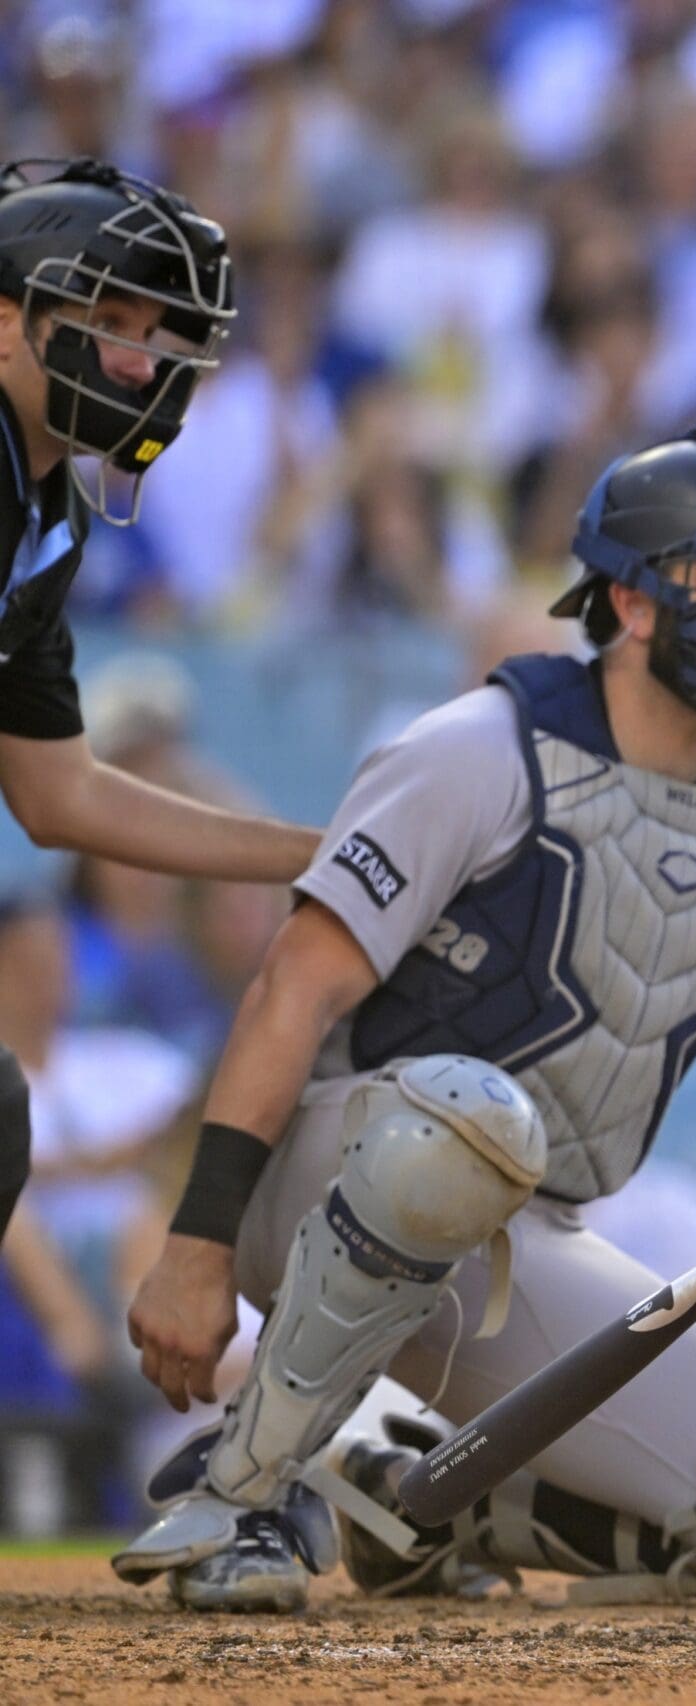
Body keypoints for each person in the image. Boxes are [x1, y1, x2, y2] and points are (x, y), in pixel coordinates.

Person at [111, 428, 696, 1612]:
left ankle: (410, 1501)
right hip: (322, 1184)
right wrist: (195, 1248)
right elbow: (293, 986)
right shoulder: (477, 748)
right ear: (632, 604)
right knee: (465, 1120)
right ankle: (242, 1495)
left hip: (517, 1238)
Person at [0, 158, 320, 1242]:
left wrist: (320, 849)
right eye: (110, 320)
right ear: (7, 324)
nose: (142, 362)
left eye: (163, 335)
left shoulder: (47, 514)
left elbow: (62, 795)